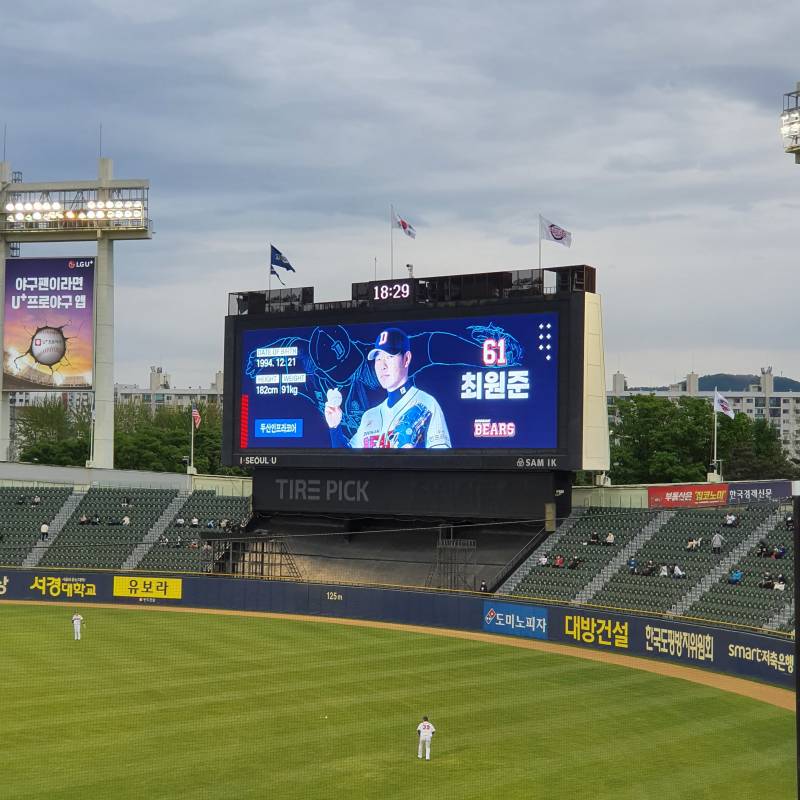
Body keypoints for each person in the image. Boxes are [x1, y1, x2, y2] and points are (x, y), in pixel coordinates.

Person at [325, 328, 451, 449]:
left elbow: (443, 462)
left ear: (406, 359)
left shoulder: (426, 403)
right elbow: (348, 461)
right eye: (378, 358)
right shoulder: (369, 416)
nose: (382, 366)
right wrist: (335, 428)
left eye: (389, 357)